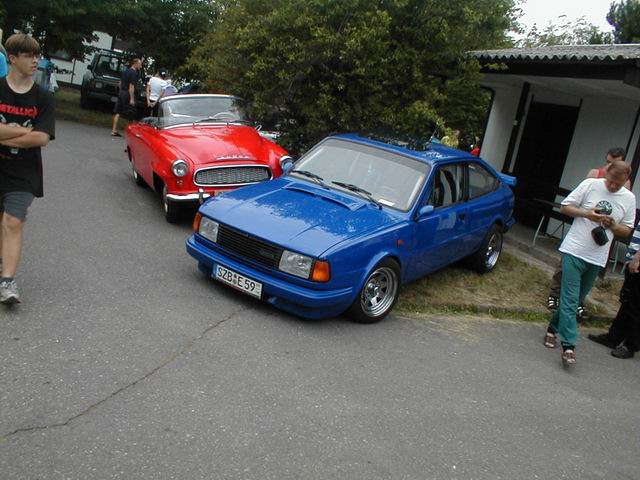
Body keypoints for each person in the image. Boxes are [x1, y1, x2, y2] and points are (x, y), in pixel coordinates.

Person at [543, 161, 635, 365]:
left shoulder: (629, 198)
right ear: (606, 173)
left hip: (597, 257)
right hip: (575, 250)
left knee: (576, 299)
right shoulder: (590, 185)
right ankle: (569, 345)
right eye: (611, 181)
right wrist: (587, 214)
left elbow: (627, 230)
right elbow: (565, 207)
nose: (613, 186)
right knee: (569, 298)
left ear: (626, 181)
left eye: (618, 184)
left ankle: (552, 329)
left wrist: (613, 225)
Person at [0, 33, 55, 304]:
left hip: (25, 171)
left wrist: (4, 132)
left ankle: (7, 282)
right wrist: (25, 131)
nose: (35, 60)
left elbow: (42, 138)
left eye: (37, 55)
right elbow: (32, 134)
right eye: (29, 55)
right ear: (12, 58)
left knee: (13, 221)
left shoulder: (43, 97)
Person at [546, 147, 629, 315]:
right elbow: (579, 199)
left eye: (613, 163)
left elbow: (622, 209)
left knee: (587, 275)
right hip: (583, 230)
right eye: (607, 162)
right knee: (565, 266)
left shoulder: (624, 184)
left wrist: (612, 223)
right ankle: (555, 294)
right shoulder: (594, 174)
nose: (609, 166)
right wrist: (587, 213)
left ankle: (578, 302)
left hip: (601, 234)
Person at [588, 221, 640, 359]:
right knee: (628, 301)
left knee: (636, 306)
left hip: (637, 261)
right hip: (634, 259)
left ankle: (630, 345)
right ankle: (614, 337)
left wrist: (637, 259)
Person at [111, 57, 141, 136]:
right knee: (131, 113)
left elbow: (120, 83)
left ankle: (113, 130)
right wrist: (132, 98)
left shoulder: (126, 71)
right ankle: (130, 132)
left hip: (121, 92)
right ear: (135, 64)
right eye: (139, 64)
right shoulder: (134, 73)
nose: (140, 66)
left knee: (118, 112)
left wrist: (121, 91)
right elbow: (131, 86)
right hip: (128, 94)